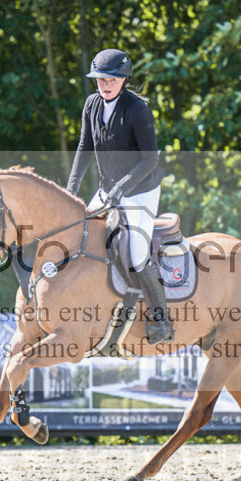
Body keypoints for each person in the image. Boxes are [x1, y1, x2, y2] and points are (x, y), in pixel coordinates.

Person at [66, 48, 174, 345]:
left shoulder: (136, 109)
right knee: (82, 235)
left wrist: (121, 189)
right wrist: (71, 188)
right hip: (108, 187)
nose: (104, 84)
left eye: (111, 79)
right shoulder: (91, 104)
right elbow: (84, 146)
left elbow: (149, 159)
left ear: (124, 79)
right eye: (100, 79)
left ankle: (162, 321)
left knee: (136, 254)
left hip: (140, 189)